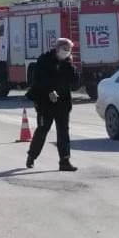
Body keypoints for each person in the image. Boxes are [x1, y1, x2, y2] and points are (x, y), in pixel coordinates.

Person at [26, 37, 79, 171]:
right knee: (42, 130)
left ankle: (64, 161)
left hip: (62, 104)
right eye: (64, 49)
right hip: (45, 104)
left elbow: (75, 82)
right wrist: (49, 91)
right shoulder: (44, 60)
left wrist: (71, 66)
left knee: (63, 132)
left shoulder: (68, 63)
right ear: (57, 48)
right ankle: (32, 156)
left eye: (68, 50)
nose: (66, 52)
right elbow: (38, 80)